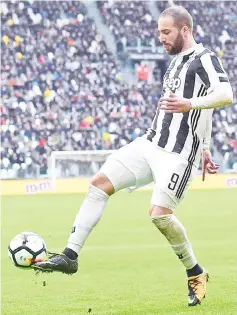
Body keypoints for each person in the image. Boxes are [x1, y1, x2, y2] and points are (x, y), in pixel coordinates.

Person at [33, 6, 233, 307]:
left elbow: (226, 94)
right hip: (150, 143)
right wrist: (205, 140)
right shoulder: (175, 62)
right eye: (159, 33)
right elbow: (203, 108)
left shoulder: (204, 57)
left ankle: (195, 272)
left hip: (178, 154)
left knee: (159, 215)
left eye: (166, 32)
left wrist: (196, 129)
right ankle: (70, 255)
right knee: (99, 183)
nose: (161, 38)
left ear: (185, 30)